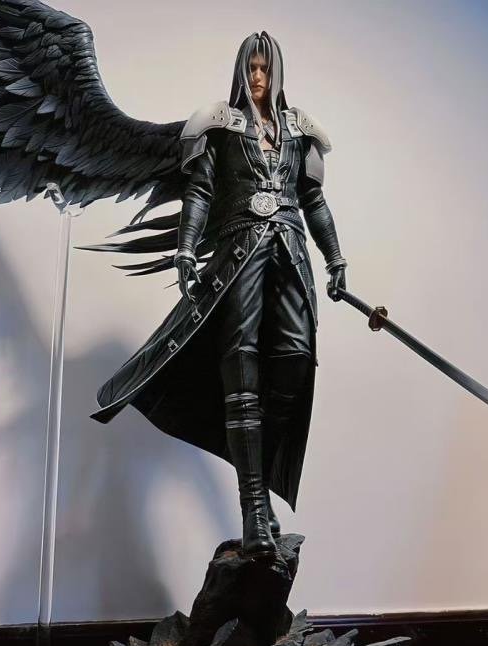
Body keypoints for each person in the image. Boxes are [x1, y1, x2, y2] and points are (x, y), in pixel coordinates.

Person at [93, 32, 348, 559]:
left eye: (265, 69)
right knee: (241, 370)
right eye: (250, 68)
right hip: (237, 259)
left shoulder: (300, 129)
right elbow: (201, 191)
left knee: (295, 360)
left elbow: (314, 199)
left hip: (291, 254)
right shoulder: (217, 124)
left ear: (277, 73)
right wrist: (186, 249)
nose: (257, 77)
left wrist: (336, 259)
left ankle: (261, 491)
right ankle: (254, 508)